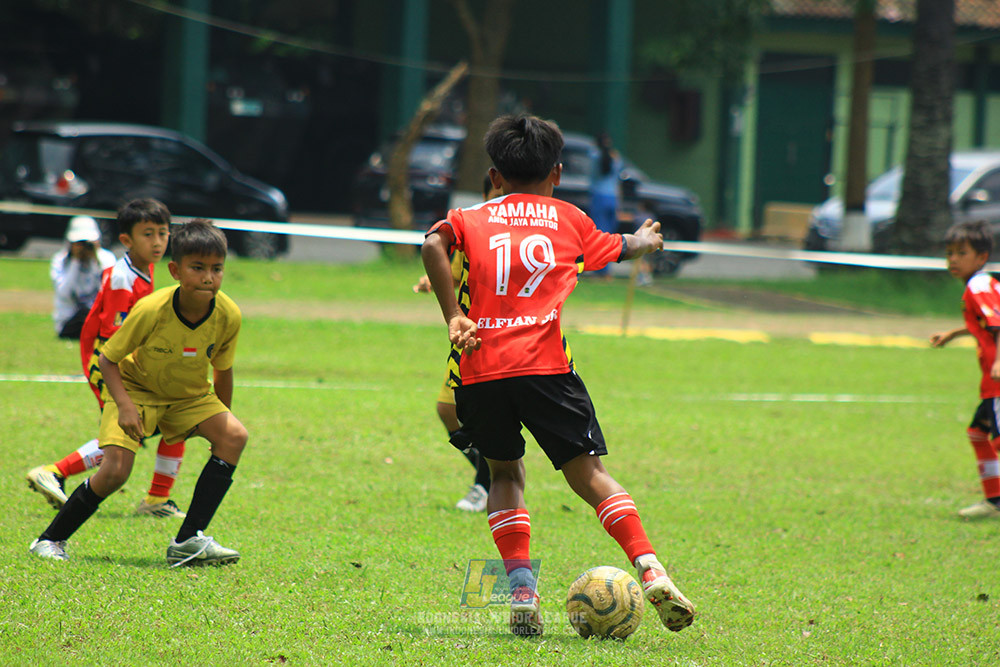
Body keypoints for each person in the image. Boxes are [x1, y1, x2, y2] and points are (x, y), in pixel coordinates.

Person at [421, 113, 696, 636]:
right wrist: (644, 239)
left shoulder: (469, 217)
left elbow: (433, 244)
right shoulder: (568, 219)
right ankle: (651, 567)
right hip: (547, 369)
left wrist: (455, 316)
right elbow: (624, 248)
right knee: (588, 475)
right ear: (558, 173)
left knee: (504, 475)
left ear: (495, 174)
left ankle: (522, 591)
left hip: (480, 371)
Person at [29, 219, 247, 566]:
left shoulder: (228, 314)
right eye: (198, 268)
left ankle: (188, 540)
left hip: (188, 396)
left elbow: (223, 369)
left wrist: (222, 420)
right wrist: (126, 406)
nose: (209, 277)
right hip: (135, 389)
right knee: (116, 471)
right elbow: (108, 359)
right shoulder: (151, 310)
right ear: (175, 270)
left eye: (217, 269)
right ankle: (49, 539)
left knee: (235, 436)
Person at [26, 199, 188, 519]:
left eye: (163, 233)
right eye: (148, 234)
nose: (157, 242)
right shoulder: (120, 278)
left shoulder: (144, 267)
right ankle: (54, 471)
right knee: (130, 431)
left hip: (124, 362)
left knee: (170, 421)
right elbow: (116, 334)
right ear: (127, 240)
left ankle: (156, 499)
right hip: (108, 363)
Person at [413, 174, 499, 512]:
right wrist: (432, 279)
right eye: (495, 195)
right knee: (447, 410)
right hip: (468, 340)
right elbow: (454, 270)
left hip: (501, 341)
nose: (501, 201)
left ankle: (487, 483)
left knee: (488, 418)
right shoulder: (473, 232)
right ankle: (489, 473)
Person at [930, 220, 1000, 520]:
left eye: (961, 252)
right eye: (949, 253)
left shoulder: (978, 285)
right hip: (991, 384)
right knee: (977, 433)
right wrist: (956, 333)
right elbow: (985, 323)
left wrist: (999, 361)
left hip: (998, 382)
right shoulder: (982, 284)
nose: (953, 259)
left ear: (981, 257)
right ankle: (994, 500)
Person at [50, 216, 116, 339]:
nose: (84, 246)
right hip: (70, 321)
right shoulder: (60, 260)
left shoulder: (107, 259)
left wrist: (96, 260)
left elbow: (109, 291)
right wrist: (75, 261)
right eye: (79, 242)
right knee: (85, 315)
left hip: (98, 318)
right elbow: (64, 294)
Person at [588, 133, 623, 279]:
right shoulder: (616, 158)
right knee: (610, 234)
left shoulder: (594, 156)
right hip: (612, 198)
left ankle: (599, 268)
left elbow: (591, 175)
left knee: (599, 234)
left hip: (599, 197)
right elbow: (618, 180)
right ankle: (607, 270)